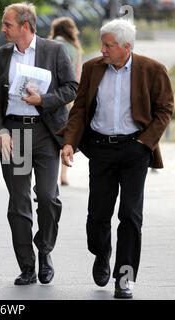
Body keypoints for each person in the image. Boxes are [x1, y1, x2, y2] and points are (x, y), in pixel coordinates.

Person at [59, 19, 174, 298]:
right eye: (102, 44)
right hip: (100, 149)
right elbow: (80, 108)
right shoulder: (91, 68)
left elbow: (165, 109)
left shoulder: (152, 69)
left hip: (135, 150)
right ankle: (101, 252)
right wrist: (70, 142)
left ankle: (124, 277)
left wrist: (144, 143)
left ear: (127, 47)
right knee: (98, 215)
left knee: (130, 215)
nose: (103, 50)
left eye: (108, 45)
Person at [0, 2, 78, 286]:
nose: (3, 29)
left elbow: (71, 87)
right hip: (14, 135)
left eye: (8, 25)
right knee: (19, 202)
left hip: (46, 133)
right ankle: (27, 266)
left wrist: (43, 100)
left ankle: (45, 250)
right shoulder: (1, 56)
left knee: (48, 197)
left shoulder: (54, 51)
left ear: (25, 26)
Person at [48, 16, 83, 186]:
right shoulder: (75, 50)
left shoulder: (46, 46)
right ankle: (63, 175)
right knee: (65, 137)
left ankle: (49, 173)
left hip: (46, 98)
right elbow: (77, 79)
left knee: (48, 135)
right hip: (66, 100)